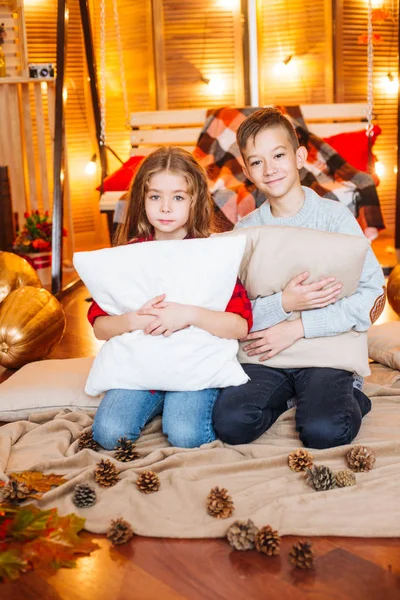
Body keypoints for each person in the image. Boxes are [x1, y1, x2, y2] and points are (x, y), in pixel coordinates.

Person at [212, 107, 386, 449]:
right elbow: (231, 311)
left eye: (278, 155)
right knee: (231, 424)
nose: (270, 168)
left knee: (325, 431)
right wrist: (283, 303)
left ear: (300, 157)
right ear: (247, 171)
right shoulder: (245, 230)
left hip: (325, 351)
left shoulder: (335, 218)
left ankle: (342, 396)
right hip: (267, 355)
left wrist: (299, 326)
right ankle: (294, 397)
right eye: (257, 161)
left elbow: (371, 295)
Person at [87, 147, 253, 450]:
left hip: (194, 369)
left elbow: (240, 326)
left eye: (177, 197)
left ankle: (176, 403)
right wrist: (134, 319)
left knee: (186, 434)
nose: (165, 208)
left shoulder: (212, 254)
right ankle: (159, 400)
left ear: (194, 200)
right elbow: (100, 327)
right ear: (142, 200)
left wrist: (189, 314)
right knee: (109, 434)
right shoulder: (129, 255)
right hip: (141, 371)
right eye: (155, 197)